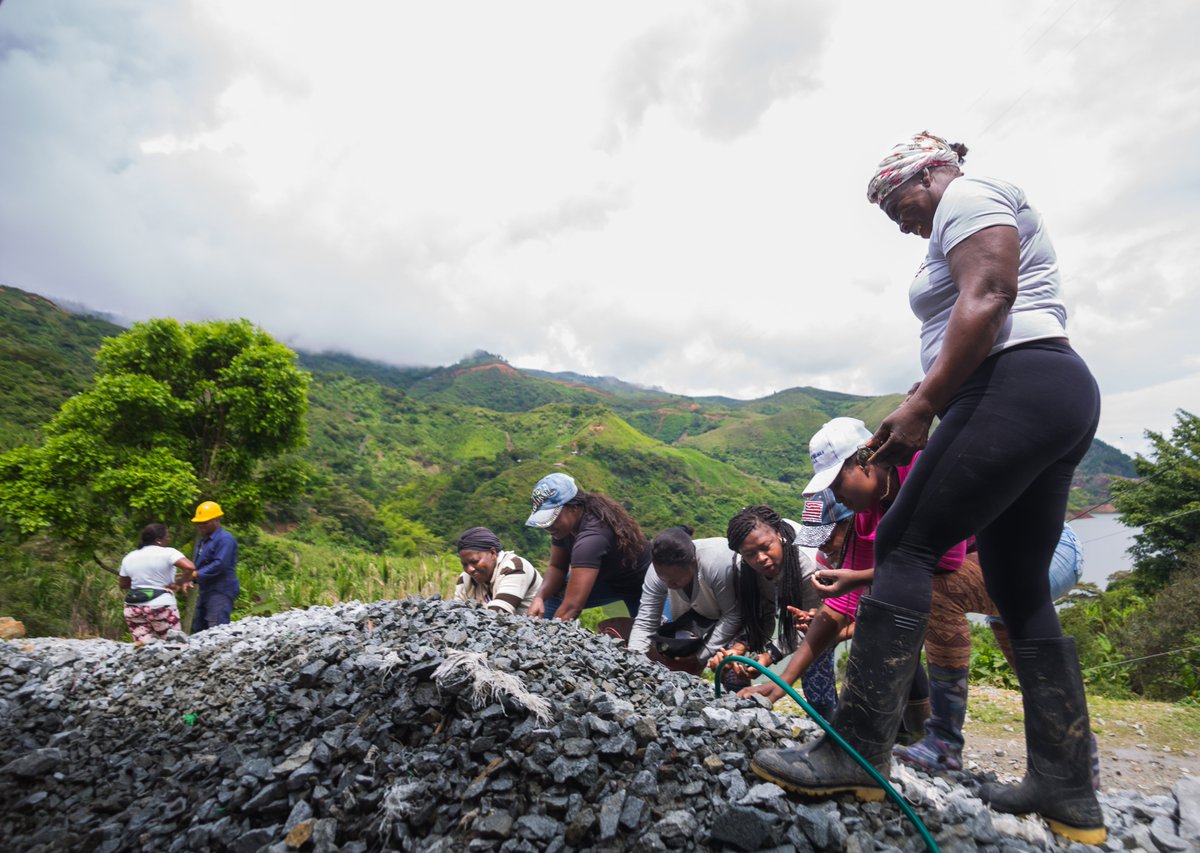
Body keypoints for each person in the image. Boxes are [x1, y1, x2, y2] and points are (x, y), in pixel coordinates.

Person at [750, 132, 1104, 845]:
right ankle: (1068, 786)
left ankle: (855, 751)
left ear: (930, 172)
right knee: (1018, 583)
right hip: (1053, 391)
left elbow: (993, 292)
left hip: (1014, 383)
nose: (902, 221)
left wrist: (926, 404)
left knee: (907, 545)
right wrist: (928, 388)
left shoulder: (970, 195)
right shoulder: (961, 209)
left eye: (898, 205)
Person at [707, 505, 839, 721]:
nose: (760, 558)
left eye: (766, 547)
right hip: (809, 619)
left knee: (815, 674)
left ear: (779, 534)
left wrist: (769, 656)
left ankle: (828, 728)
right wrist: (742, 649)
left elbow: (815, 626)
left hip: (827, 615)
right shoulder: (747, 569)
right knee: (733, 650)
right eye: (750, 554)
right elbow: (763, 616)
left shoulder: (806, 565)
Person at [525, 473, 652, 621]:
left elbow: (572, 607)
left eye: (552, 519)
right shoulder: (562, 528)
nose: (548, 526)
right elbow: (557, 566)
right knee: (552, 596)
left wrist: (550, 637)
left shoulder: (592, 538)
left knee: (653, 634)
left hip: (642, 584)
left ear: (572, 508)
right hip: (605, 581)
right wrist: (539, 597)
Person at [627, 526, 743, 675]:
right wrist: (632, 660)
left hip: (738, 609)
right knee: (676, 648)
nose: (669, 585)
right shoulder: (657, 572)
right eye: (664, 579)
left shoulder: (716, 564)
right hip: (697, 613)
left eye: (675, 581)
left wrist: (701, 655)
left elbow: (733, 616)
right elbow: (646, 621)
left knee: (731, 672)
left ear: (693, 564)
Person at [118, 523, 196, 643]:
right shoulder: (169, 552)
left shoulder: (129, 557)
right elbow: (190, 567)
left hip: (133, 607)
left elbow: (123, 584)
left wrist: (143, 583)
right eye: (167, 537)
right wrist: (179, 583)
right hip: (161, 605)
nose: (168, 539)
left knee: (144, 649)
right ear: (158, 540)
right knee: (174, 645)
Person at [452, 526, 543, 616]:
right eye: (464, 564)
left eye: (475, 562)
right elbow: (454, 614)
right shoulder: (465, 579)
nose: (469, 569)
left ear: (493, 553)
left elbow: (498, 614)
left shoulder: (515, 568)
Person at [191, 500, 239, 632]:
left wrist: (196, 574)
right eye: (199, 523)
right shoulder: (204, 541)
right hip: (206, 590)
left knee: (216, 628)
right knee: (199, 629)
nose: (201, 525)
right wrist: (190, 578)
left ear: (217, 519)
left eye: (205, 522)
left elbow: (220, 564)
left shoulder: (225, 540)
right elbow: (199, 565)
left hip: (221, 590)